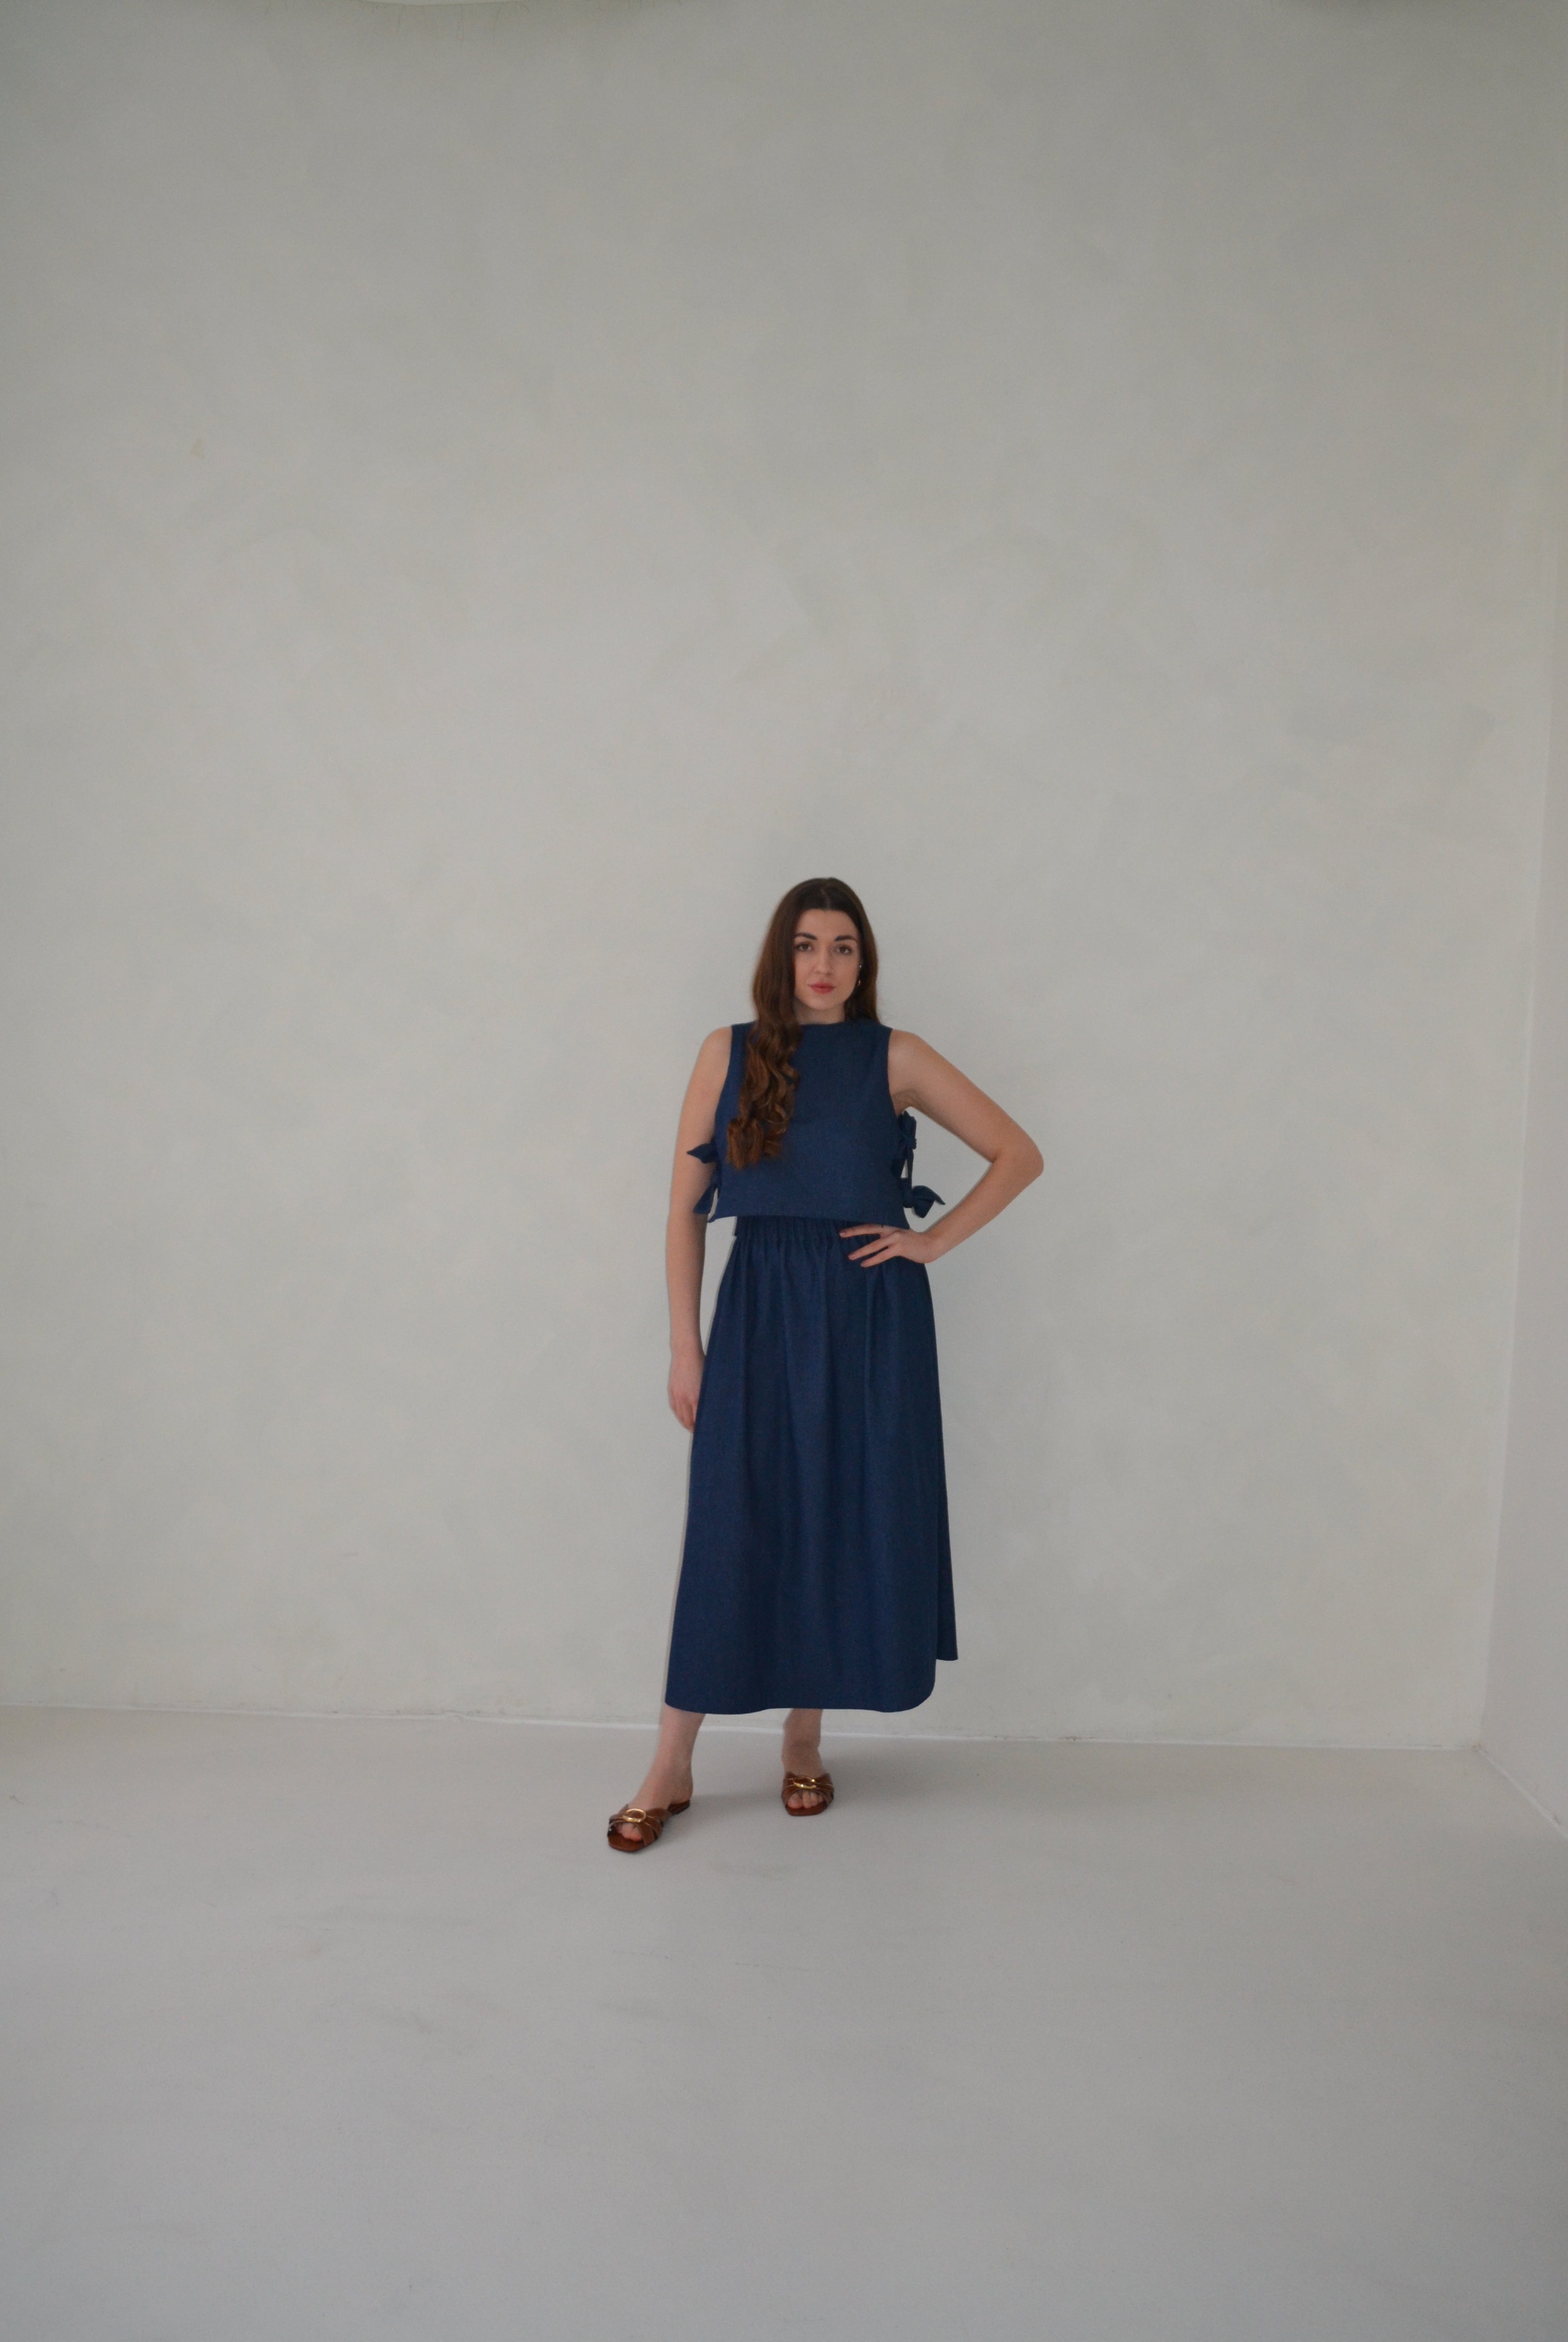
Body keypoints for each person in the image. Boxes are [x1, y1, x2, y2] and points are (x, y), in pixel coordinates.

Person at [607, 877, 1043, 1850]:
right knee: (733, 1522)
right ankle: (670, 1761)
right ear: (781, 957)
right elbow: (684, 1210)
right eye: (807, 945)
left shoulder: (897, 1056)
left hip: (868, 1316)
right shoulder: (725, 1052)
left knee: (837, 1515)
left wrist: (931, 1243)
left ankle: (803, 1740)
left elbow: (1018, 1153)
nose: (824, 964)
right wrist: (685, 1345)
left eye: (844, 947)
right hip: (759, 1309)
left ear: (863, 962)